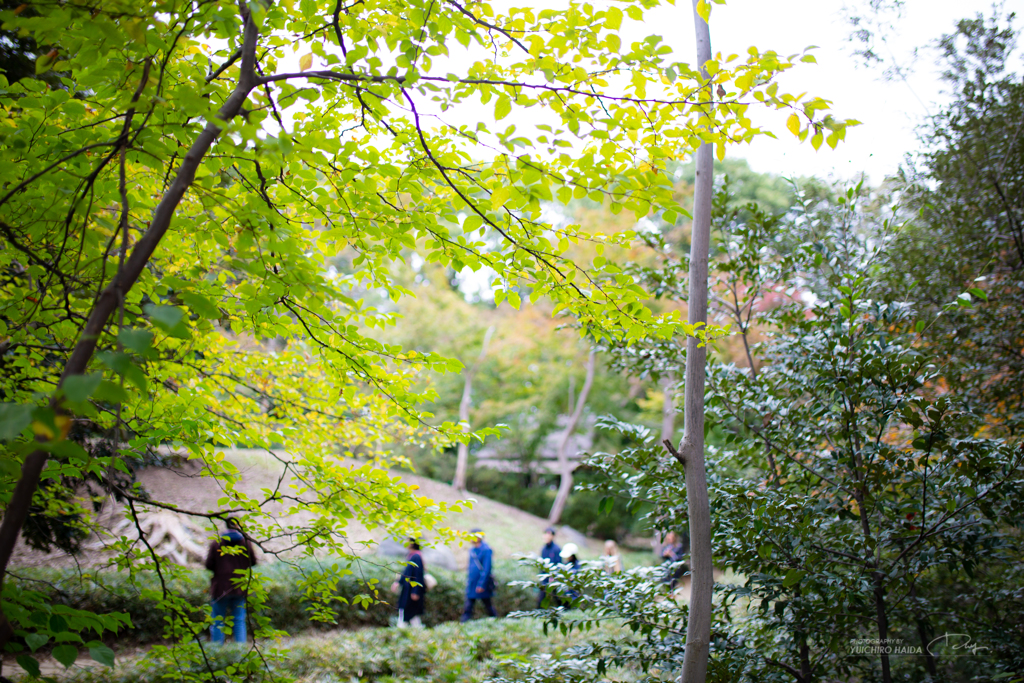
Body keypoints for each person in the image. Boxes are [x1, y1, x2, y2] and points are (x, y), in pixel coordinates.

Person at [205, 517, 257, 645]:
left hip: (220, 588)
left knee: (217, 619)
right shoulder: (245, 542)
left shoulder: (217, 543)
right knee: (239, 620)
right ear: (238, 525)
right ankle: (240, 648)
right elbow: (254, 561)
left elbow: (208, 564)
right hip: (240, 587)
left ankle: (216, 650)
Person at [461, 528, 497, 621]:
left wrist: (481, 584)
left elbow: (487, 568)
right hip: (472, 583)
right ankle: (463, 623)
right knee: (468, 606)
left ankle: (496, 621)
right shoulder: (472, 550)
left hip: (481, 584)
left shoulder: (486, 550)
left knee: (488, 605)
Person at [395, 538, 426, 628]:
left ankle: (402, 629)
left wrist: (416, 591)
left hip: (411, 591)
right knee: (410, 613)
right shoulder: (411, 556)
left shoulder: (416, 557)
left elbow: (418, 574)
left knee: (409, 612)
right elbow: (406, 573)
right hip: (407, 590)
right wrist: (398, 582)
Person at [537, 526, 562, 608]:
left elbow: (558, 564)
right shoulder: (544, 549)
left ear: (552, 536)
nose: (546, 536)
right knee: (542, 598)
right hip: (544, 579)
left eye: (548, 534)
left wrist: (554, 577)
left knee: (558, 598)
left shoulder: (556, 549)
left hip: (554, 578)